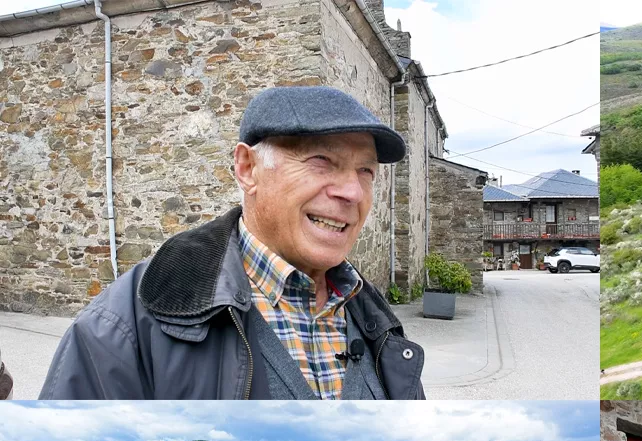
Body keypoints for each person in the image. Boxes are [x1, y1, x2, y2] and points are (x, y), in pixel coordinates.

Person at [39, 86, 424, 400]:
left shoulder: (377, 323)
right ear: (247, 169)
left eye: (366, 171)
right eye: (321, 161)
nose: (353, 192)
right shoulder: (125, 326)